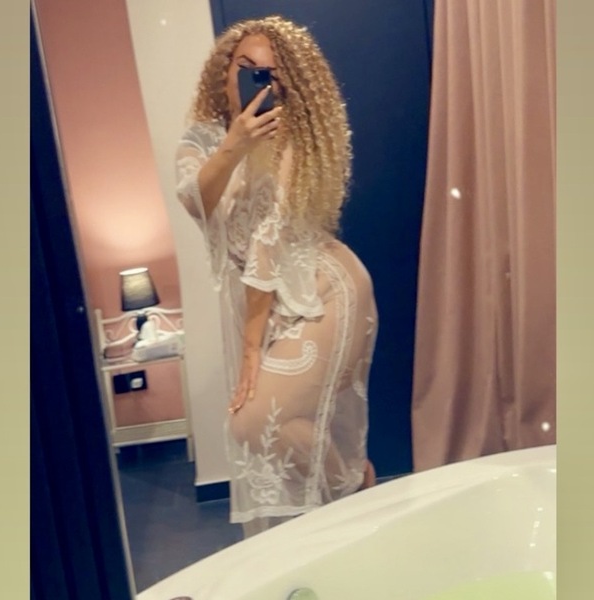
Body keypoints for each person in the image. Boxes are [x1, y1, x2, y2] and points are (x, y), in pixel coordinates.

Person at [175, 15, 378, 537]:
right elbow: (195, 200)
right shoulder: (202, 138)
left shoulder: (292, 136)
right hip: (265, 298)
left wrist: (251, 348)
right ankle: (352, 492)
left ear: (288, 83)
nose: (257, 80)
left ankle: (350, 497)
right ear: (224, 70)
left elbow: (270, 236)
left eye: (270, 73)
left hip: (323, 290)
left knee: (254, 421)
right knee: (286, 425)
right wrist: (234, 145)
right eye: (246, 67)